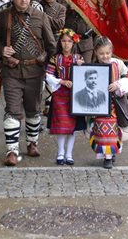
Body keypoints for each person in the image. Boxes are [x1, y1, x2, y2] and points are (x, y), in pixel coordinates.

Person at [0, 0, 57, 166]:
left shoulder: (41, 17)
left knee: (34, 110)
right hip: (11, 71)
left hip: (35, 72)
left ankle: (32, 143)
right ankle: (12, 151)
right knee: (12, 111)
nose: (23, 0)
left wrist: (47, 60)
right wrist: (1, 50)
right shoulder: (3, 16)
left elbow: (51, 45)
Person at [88, 36, 128, 169]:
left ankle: (111, 153)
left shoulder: (117, 64)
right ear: (96, 52)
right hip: (99, 104)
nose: (105, 56)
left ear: (112, 51)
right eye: (101, 53)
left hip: (115, 102)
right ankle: (107, 155)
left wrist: (118, 84)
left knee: (114, 129)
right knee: (102, 129)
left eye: (107, 53)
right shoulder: (92, 65)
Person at [45, 28, 86, 165]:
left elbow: (86, 75)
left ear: (73, 43)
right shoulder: (55, 58)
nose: (66, 44)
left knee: (72, 127)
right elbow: (48, 75)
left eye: (69, 41)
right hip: (60, 95)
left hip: (75, 96)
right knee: (62, 126)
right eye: (63, 41)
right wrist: (61, 81)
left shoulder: (79, 58)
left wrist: (82, 67)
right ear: (60, 42)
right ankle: (61, 152)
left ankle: (69, 153)